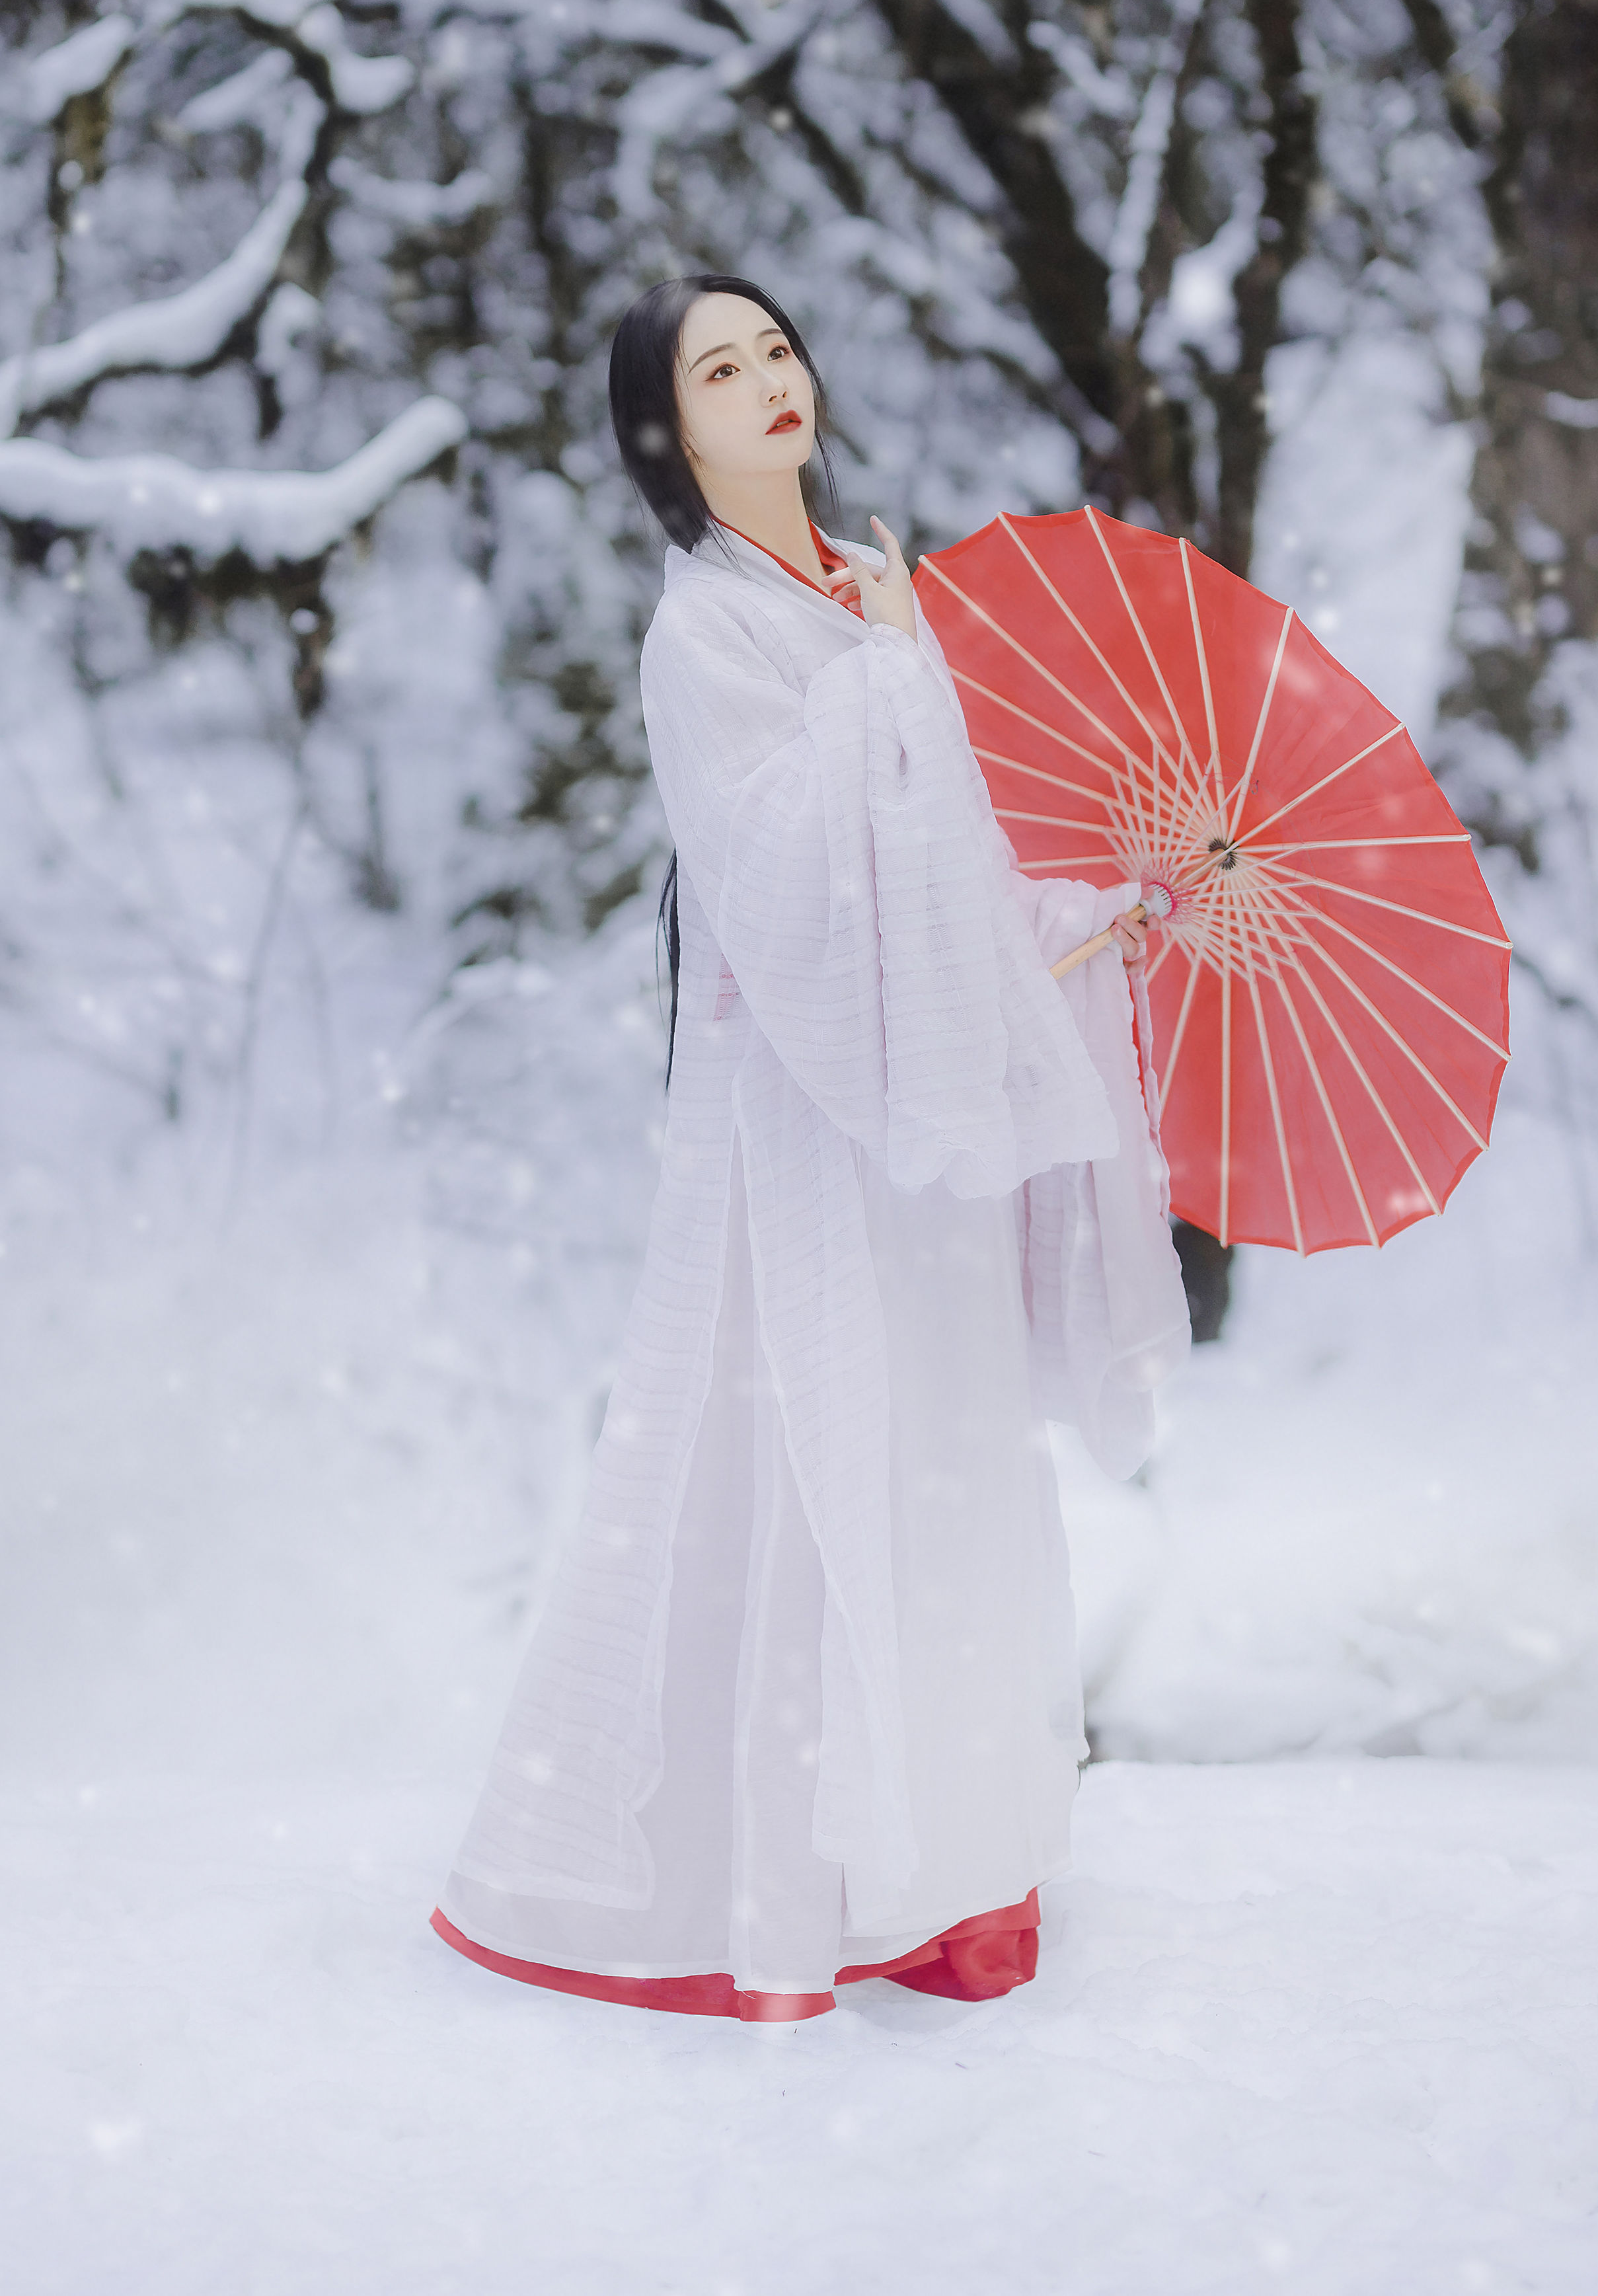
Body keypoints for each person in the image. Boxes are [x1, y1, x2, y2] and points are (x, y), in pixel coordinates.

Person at [432, 275, 1190, 2025]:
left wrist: (1086, 923)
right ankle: (744, 1870)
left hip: (916, 1139)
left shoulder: (860, 592)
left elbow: (948, 889)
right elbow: (781, 888)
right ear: (664, 428)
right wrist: (892, 678)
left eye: (773, 346)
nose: (768, 379)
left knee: (939, 1461)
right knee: (790, 1468)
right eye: (718, 367)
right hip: (803, 1126)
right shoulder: (703, 632)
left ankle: (949, 1875)